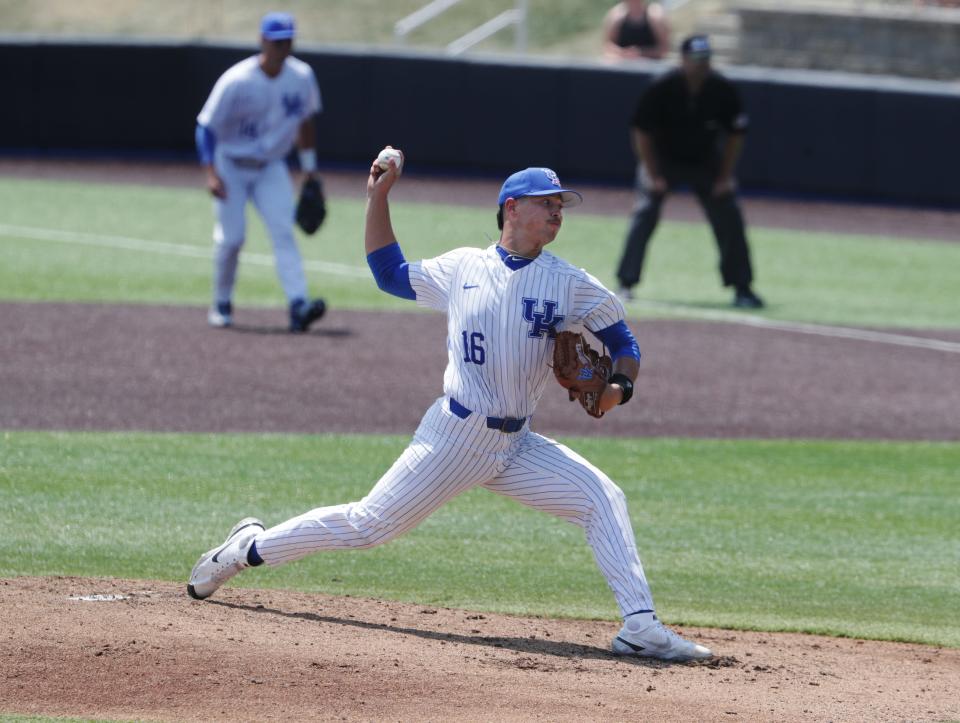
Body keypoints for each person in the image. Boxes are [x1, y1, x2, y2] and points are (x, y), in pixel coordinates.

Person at [186, 155, 713, 662]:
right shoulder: (462, 267)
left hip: (518, 445)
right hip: (454, 439)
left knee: (603, 498)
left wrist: (619, 387)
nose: (557, 212)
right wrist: (378, 197)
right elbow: (389, 273)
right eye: (546, 202)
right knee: (367, 526)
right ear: (511, 207)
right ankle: (243, 550)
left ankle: (640, 626)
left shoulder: (570, 283)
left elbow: (625, 343)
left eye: (561, 205)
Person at [195, 11, 327, 333]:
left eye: (288, 40)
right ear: (263, 40)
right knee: (232, 239)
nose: (283, 46)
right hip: (231, 166)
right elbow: (205, 127)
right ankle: (221, 302)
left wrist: (309, 171)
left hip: (271, 166)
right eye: (277, 40)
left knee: (284, 233)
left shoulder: (301, 76)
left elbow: (306, 121)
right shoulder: (237, 80)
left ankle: (298, 305)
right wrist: (211, 172)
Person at [615, 34, 764, 309]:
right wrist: (653, 174)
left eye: (705, 60)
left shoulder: (722, 89)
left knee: (728, 213)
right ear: (683, 60)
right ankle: (626, 283)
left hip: (704, 161)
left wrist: (724, 177)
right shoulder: (662, 87)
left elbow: (736, 135)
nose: (701, 65)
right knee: (645, 211)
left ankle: (743, 287)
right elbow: (641, 132)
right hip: (663, 159)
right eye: (695, 60)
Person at [602, 0, 671, 61]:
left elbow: (664, 49)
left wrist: (641, 53)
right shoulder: (616, 15)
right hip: (623, 67)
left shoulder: (655, 15)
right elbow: (607, 47)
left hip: (651, 68)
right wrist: (623, 53)